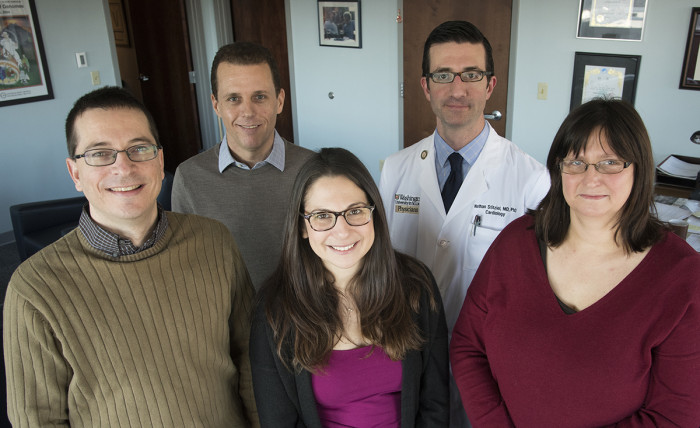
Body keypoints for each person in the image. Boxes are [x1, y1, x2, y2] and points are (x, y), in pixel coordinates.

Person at [3, 87, 259, 427]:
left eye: (139, 149)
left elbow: (252, 360)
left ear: (160, 160)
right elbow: (37, 418)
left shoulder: (214, 242)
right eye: (99, 154)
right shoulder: (34, 288)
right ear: (74, 172)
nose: (123, 167)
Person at [450, 99, 700, 427]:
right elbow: (467, 345)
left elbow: (675, 416)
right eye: (576, 163)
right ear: (558, 169)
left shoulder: (681, 276)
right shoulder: (516, 241)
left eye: (610, 162)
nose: (590, 178)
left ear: (638, 169)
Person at [378, 20, 549, 427]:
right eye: (443, 76)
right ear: (425, 86)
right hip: (407, 352)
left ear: (490, 85)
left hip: (486, 364)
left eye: (471, 75)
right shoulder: (395, 170)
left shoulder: (532, 180)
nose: (457, 89)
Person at [250, 148, 449, 427]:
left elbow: (435, 404)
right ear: (302, 227)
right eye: (322, 216)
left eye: (354, 211)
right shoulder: (275, 308)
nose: (342, 231)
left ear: (374, 214)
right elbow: (279, 420)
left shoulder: (416, 286)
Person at [172, 42, 313, 289]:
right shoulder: (189, 177)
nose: (247, 112)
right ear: (216, 105)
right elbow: (186, 266)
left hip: (300, 319)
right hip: (226, 321)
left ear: (279, 101)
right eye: (233, 98)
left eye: (259, 97)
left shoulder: (313, 169)